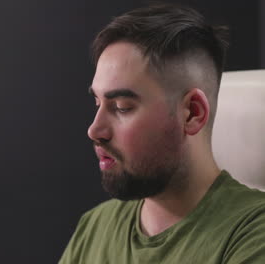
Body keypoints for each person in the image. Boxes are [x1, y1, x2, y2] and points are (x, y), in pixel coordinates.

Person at [59, 4, 265, 264]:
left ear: (192, 113)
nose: (94, 130)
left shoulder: (252, 235)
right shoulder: (95, 227)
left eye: (122, 107)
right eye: (98, 103)